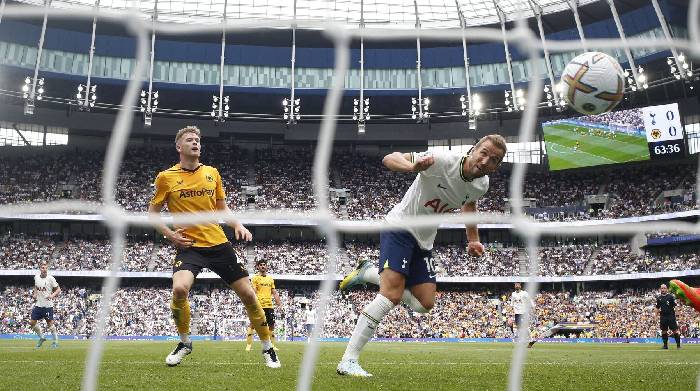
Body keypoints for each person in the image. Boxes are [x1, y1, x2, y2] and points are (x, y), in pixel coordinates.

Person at [336, 134, 507, 377]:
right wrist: (412, 166)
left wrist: (473, 239)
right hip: (400, 227)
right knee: (390, 296)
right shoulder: (441, 160)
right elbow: (389, 158)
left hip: (424, 241)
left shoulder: (482, 184)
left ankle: (368, 273)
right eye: (484, 152)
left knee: (425, 304)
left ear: (496, 166)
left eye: (494, 159)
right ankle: (348, 360)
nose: (485, 160)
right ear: (473, 149)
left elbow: (469, 204)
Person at [148, 126, 280, 368]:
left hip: (219, 244)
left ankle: (268, 347)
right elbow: (153, 214)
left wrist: (237, 224)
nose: (195, 143)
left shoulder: (212, 173)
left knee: (249, 295)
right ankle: (185, 342)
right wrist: (170, 235)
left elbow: (221, 207)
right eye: (190, 140)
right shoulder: (165, 177)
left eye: (197, 140)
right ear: (179, 147)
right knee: (179, 289)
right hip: (190, 246)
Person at [245, 260, 282, 351]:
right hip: (259, 305)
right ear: (258, 267)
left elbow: (274, 292)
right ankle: (249, 345)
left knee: (271, 325)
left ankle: (272, 345)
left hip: (269, 306)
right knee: (253, 324)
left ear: (266, 266)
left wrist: (279, 304)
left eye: (264, 265)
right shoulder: (255, 278)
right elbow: (254, 291)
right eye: (260, 265)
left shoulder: (270, 279)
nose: (262, 266)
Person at [30, 261, 61, 349]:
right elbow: (36, 286)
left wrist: (52, 295)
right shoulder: (36, 277)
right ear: (40, 269)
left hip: (47, 306)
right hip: (38, 305)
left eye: (46, 268)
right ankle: (42, 338)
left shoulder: (51, 278)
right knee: (32, 322)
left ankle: (55, 341)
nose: (44, 269)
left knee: (50, 324)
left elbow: (58, 289)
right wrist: (35, 294)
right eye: (43, 268)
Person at [509, 282, 537, 348]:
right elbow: (512, 303)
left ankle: (530, 339)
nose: (516, 286)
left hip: (524, 312)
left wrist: (533, 307)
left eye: (518, 285)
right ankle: (529, 340)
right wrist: (510, 311)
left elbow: (530, 300)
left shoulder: (524, 293)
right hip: (517, 313)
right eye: (515, 285)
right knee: (519, 328)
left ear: (520, 286)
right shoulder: (513, 294)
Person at [656, 283, 681, 349]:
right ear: (660, 289)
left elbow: (675, 306)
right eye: (662, 288)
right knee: (664, 330)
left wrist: (677, 313)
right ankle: (665, 345)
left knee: (675, 330)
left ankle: (678, 345)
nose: (663, 289)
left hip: (671, 316)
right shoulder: (659, 298)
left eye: (664, 288)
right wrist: (655, 315)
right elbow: (657, 307)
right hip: (663, 316)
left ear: (667, 289)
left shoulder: (670, 297)